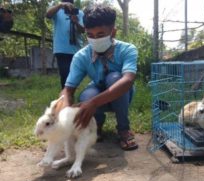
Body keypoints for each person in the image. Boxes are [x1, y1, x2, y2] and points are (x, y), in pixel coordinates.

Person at [60, 4, 138, 151]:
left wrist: (93, 103)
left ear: (113, 32)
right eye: (90, 35)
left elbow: (127, 81)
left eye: (100, 35)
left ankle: (123, 130)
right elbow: (68, 90)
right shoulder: (81, 56)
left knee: (115, 78)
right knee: (86, 96)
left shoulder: (127, 50)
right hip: (96, 92)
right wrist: (64, 111)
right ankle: (97, 126)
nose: (95, 39)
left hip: (121, 95)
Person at [46, 0, 85, 89]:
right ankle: (65, 96)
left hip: (76, 49)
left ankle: (68, 95)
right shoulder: (57, 12)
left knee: (74, 75)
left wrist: (76, 22)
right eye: (65, 3)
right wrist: (60, 6)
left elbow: (83, 30)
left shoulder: (79, 13)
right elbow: (48, 15)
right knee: (64, 74)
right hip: (61, 49)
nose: (68, 6)